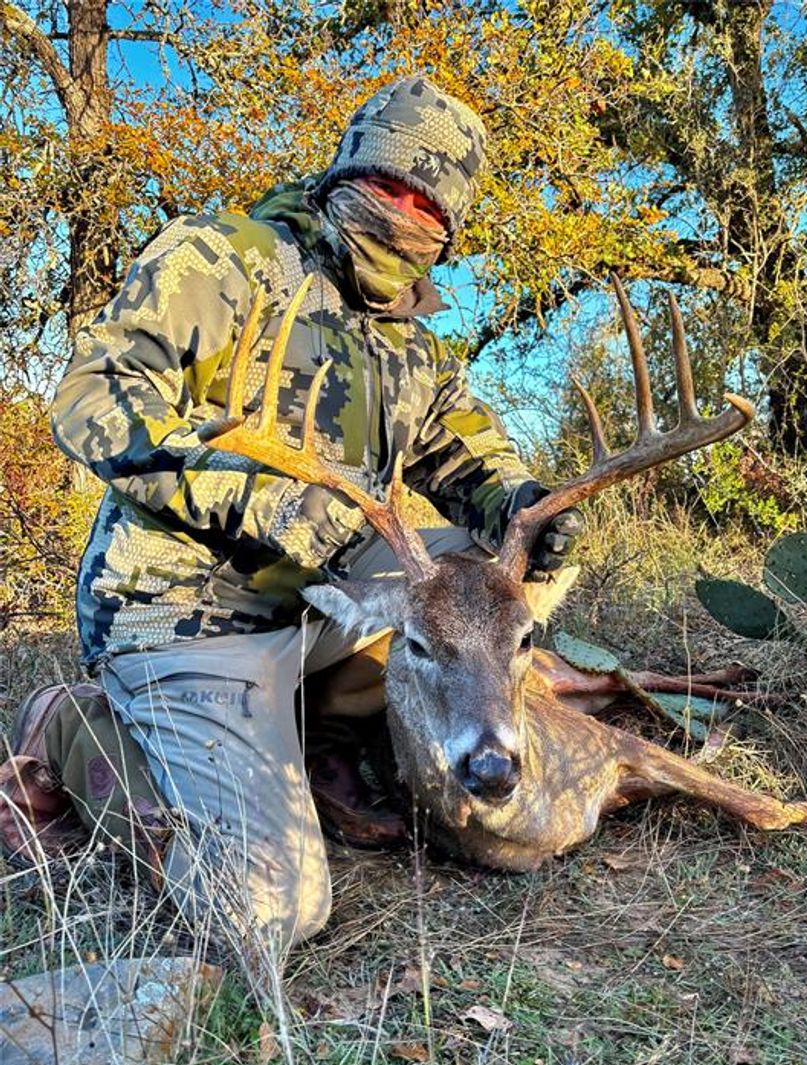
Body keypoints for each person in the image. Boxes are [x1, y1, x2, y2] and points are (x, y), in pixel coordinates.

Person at [0, 77, 581, 957]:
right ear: (345, 171)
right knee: (269, 907)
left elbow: (471, 460)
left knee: (483, 570)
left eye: (428, 206)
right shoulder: (222, 260)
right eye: (387, 184)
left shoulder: (411, 345)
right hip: (185, 617)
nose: (402, 212)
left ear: (447, 228)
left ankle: (322, 734)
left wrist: (525, 507)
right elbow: (93, 396)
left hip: (319, 602)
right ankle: (75, 729)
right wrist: (257, 494)